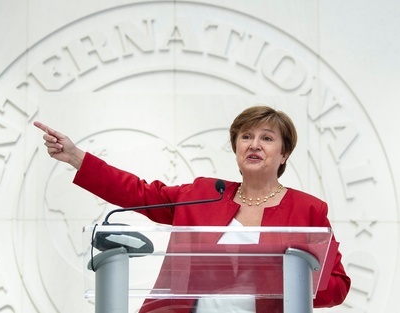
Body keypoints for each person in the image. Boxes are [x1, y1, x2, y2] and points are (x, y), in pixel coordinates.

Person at [34, 105, 351, 313]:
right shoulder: (204, 193)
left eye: (267, 138)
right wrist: (77, 158)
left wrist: (279, 281)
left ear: (284, 154)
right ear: (236, 148)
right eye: (246, 137)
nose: (254, 144)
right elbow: (139, 193)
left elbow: (338, 285)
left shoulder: (309, 210)